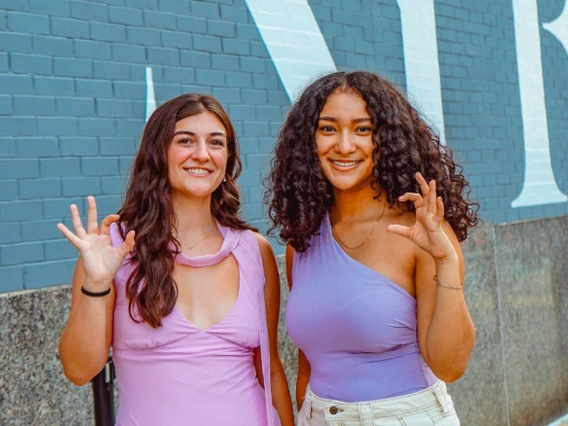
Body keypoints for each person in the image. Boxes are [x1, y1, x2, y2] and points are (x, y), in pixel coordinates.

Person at [57, 93, 293, 426]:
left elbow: (270, 369)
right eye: (185, 140)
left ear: (227, 158)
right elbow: (80, 370)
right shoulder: (114, 248)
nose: (202, 154)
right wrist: (96, 283)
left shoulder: (254, 250)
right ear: (158, 153)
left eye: (216, 142)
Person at [265, 71, 479, 425]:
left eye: (363, 129)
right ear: (309, 140)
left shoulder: (419, 230)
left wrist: (445, 260)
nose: (344, 146)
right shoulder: (302, 240)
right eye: (328, 128)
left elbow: (450, 366)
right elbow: (309, 363)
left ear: (387, 140)